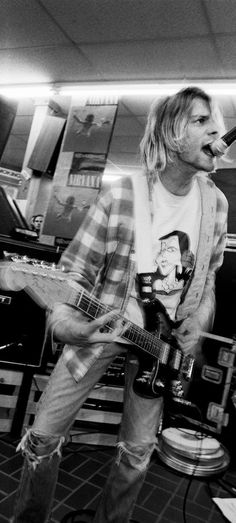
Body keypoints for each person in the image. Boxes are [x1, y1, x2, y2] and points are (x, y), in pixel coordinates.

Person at [11, 86, 228, 523]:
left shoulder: (216, 204)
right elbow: (72, 274)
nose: (218, 130)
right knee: (42, 438)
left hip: (160, 349)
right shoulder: (122, 196)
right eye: (201, 120)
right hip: (104, 327)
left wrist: (199, 319)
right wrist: (69, 327)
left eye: (216, 121)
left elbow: (207, 281)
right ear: (170, 134)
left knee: (137, 453)